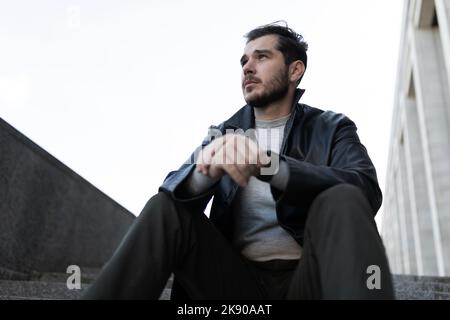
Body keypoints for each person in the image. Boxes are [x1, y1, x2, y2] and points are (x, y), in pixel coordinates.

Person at [81, 22, 394, 300]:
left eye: (261, 57)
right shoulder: (224, 133)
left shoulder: (331, 127)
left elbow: (365, 188)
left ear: (295, 70)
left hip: (312, 282)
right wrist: (207, 171)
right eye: (244, 60)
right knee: (166, 207)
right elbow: (173, 186)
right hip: (234, 289)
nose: (247, 67)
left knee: (342, 196)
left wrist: (272, 167)